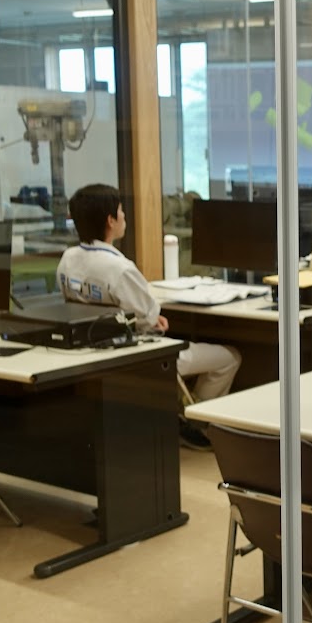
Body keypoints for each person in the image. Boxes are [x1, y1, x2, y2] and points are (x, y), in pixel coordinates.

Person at [58, 183, 240, 449]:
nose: (125, 217)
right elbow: (149, 319)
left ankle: (184, 415)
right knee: (230, 357)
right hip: (143, 355)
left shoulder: (68, 259)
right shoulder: (120, 268)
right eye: (121, 211)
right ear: (110, 220)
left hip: (94, 352)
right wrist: (155, 318)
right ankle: (193, 423)